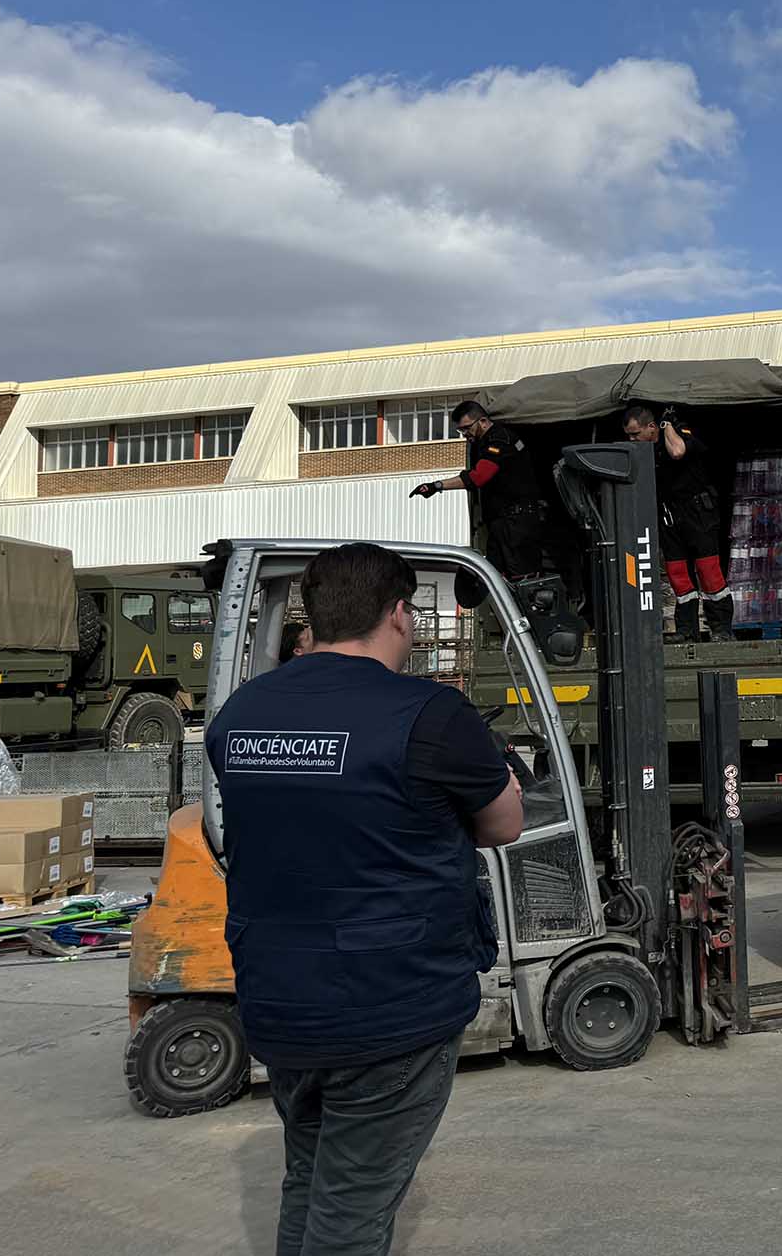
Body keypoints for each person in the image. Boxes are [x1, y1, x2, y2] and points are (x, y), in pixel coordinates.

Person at [206, 543, 523, 1256]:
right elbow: (503, 824)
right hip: (389, 1005)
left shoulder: (240, 714)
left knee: (310, 1180)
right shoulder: (431, 714)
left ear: (313, 620)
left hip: (279, 997)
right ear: (400, 614)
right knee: (350, 1211)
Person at [623, 402, 731, 641]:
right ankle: (686, 630)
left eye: (636, 434)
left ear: (651, 427)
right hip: (669, 516)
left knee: (708, 570)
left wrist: (667, 424)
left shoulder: (676, 434)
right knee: (677, 573)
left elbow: (678, 452)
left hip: (697, 513)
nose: (632, 440)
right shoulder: (643, 452)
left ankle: (721, 629)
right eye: (629, 435)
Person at [410, 401, 548, 580]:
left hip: (515, 523)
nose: (465, 434)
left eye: (467, 428)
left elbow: (478, 477)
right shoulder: (484, 442)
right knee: (494, 576)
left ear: (482, 421)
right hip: (503, 523)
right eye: (461, 431)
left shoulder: (499, 440)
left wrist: (437, 486)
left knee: (523, 578)